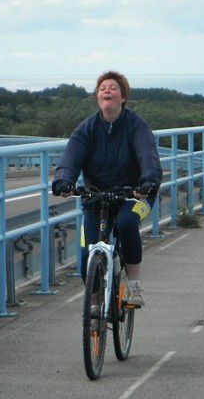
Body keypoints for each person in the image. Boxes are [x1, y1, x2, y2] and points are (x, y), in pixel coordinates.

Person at [51, 71, 162, 308]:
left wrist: (148, 182)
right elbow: (70, 158)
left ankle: (134, 286)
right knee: (86, 255)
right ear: (98, 97)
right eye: (102, 88)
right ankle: (95, 304)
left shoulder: (137, 127)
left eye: (112, 87)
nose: (106, 91)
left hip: (134, 195)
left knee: (126, 223)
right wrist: (63, 179)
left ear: (123, 97)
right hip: (96, 197)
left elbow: (148, 157)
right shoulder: (86, 129)